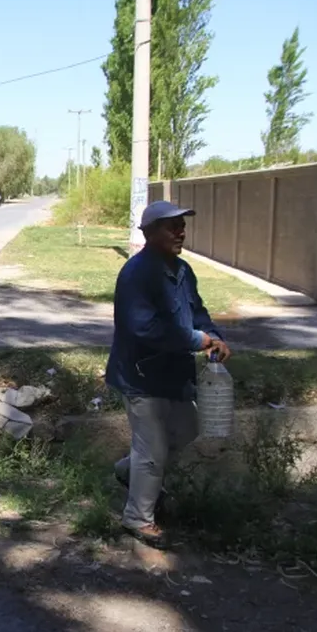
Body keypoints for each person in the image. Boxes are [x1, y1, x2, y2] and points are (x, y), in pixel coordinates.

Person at [105, 200, 232, 548]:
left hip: (173, 375)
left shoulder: (182, 271)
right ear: (148, 233)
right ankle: (138, 519)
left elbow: (197, 311)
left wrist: (214, 335)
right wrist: (196, 339)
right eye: (170, 226)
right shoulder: (136, 273)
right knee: (153, 448)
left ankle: (127, 472)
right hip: (140, 376)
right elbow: (144, 327)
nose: (180, 231)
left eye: (182, 224)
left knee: (189, 427)